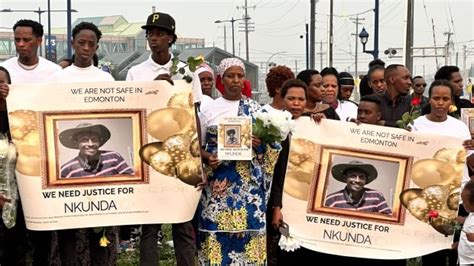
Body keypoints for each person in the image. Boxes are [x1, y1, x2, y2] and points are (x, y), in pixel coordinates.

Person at [126, 11, 198, 266]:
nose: (153, 39)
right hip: (150, 151)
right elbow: (131, 111)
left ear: (171, 38)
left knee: (183, 220)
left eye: (159, 34)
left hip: (183, 152)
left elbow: (196, 110)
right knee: (150, 223)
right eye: (150, 34)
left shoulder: (186, 72)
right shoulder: (136, 72)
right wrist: (152, 90)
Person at [198, 58, 281, 265]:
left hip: (249, 190)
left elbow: (272, 150)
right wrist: (208, 158)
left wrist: (258, 144)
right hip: (217, 187)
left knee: (249, 239)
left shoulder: (257, 111)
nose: (235, 80)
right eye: (230, 76)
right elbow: (195, 145)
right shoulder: (208, 110)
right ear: (221, 79)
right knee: (215, 237)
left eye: (240, 76)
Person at [0, 19, 61, 266]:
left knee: (40, 220)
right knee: (11, 218)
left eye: (26, 40)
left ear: (39, 40)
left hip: (41, 157)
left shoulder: (54, 73)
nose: (21, 45)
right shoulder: (4, 69)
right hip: (10, 155)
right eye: (17, 40)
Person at [412, 80, 473, 266]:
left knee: (457, 249)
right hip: (429, 195)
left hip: (457, 195)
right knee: (433, 251)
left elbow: (470, 162)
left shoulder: (459, 127)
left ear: (451, 101)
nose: (440, 103)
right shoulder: (416, 125)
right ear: (429, 100)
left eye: (445, 99)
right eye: (436, 98)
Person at [266, 78, 307, 265]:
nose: (296, 103)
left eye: (301, 99)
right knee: (282, 251)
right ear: (283, 99)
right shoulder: (273, 127)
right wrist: (277, 207)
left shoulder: (313, 125)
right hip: (280, 200)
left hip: (304, 200)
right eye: (291, 98)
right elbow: (273, 172)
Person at [59, 123, 133, 178]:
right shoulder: (67, 169)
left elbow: (132, 182)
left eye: (94, 139)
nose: (91, 144)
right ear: (76, 143)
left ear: (99, 142)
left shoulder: (114, 157)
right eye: (84, 140)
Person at [324, 160, 392, 215]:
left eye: (361, 177)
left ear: (365, 180)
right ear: (345, 178)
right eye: (353, 176)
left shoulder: (376, 196)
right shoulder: (332, 200)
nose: (357, 180)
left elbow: (388, 220)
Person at [458, 180, 474, 266]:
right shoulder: (471, 214)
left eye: (464, 201)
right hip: (465, 259)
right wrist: (460, 244)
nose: (462, 203)